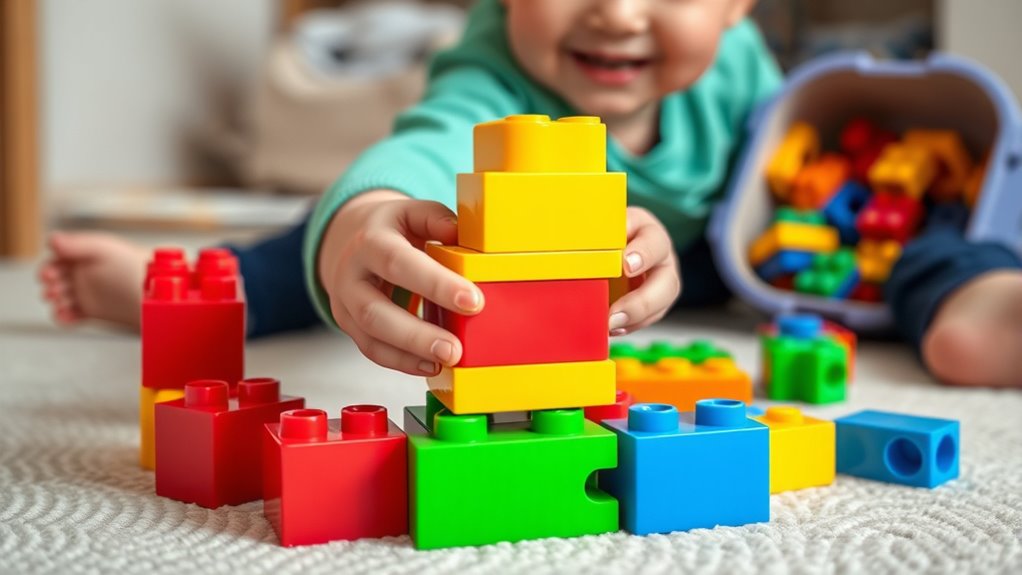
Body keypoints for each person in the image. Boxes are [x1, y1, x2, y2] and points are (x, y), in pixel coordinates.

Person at [38, 0, 1022, 388]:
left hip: (712, 260)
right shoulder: (489, 80)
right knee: (343, 249)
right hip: (503, 264)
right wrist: (362, 221)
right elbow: (420, 157)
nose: (616, 12)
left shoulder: (740, 72)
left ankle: (972, 300)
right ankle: (199, 288)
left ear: (734, 5)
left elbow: (788, 179)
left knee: (906, 242)